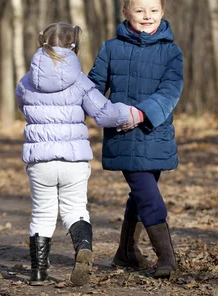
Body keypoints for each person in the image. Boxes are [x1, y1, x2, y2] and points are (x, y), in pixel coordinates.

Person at [15, 22, 135, 286]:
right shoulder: (81, 82)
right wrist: (131, 113)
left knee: (42, 213)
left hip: (40, 160)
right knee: (75, 209)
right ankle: (82, 246)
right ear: (75, 46)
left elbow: (22, 106)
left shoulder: (26, 82)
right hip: (74, 161)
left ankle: (37, 272)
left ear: (41, 43)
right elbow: (103, 113)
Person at [88, 0, 184, 279]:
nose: (147, 17)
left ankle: (126, 252)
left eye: (154, 10)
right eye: (140, 10)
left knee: (141, 194)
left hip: (154, 132)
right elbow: (92, 88)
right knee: (147, 193)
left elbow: (170, 91)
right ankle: (167, 258)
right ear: (126, 11)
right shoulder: (111, 48)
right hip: (124, 135)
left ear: (163, 11)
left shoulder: (171, 52)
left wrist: (142, 114)